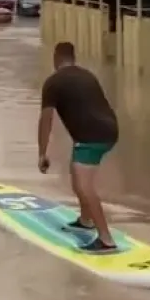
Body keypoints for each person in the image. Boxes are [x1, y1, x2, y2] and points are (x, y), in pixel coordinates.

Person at [38, 41, 118, 253]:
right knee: (76, 174)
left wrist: (42, 153)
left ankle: (106, 239)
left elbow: (46, 120)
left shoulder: (53, 83)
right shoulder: (87, 75)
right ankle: (85, 220)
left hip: (90, 136)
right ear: (73, 58)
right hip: (110, 131)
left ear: (56, 58)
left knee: (84, 186)